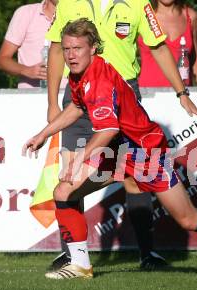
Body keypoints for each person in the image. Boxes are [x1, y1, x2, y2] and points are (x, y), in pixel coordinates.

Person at [23, 18, 197, 279]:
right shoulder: (80, 75)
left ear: (93, 48)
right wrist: (43, 134)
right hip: (117, 151)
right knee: (64, 191)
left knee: (188, 219)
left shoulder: (99, 81)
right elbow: (77, 107)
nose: (70, 55)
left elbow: (108, 130)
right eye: (67, 49)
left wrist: (80, 158)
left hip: (143, 152)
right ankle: (80, 265)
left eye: (77, 48)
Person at [45, 0, 174, 271]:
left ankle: (147, 254)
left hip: (123, 95)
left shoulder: (139, 2)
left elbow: (158, 46)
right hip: (79, 94)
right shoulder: (68, 2)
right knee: (70, 174)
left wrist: (182, 92)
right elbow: (57, 49)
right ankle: (73, 257)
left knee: (134, 179)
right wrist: (52, 102)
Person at [0, 0, 67, 88]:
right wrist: (27, 70)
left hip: (70, 98)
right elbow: (2, 60)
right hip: (30, 98)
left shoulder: (81, 16)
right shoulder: (26, 13)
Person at [137, 0, 197, 87]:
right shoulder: (142, 16)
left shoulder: (190, 17)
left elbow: (195, 58)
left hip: (184, 94)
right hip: (149, 94)